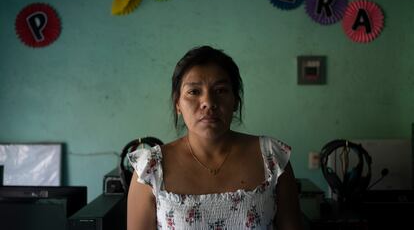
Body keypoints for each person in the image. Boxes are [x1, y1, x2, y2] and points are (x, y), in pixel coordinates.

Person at [127, 46, 303, 229]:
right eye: (194, 92)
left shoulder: (272, 158)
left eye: (220, 90)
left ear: (235, 101)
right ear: (177, 103)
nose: (208, 103)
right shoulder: (150, 170)